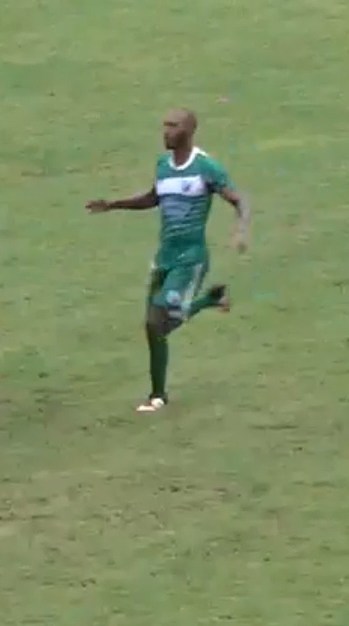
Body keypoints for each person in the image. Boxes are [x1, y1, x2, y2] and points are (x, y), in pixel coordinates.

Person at [85, 108, 250, 413]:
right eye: (165, 126)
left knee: (157, 319)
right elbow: (153, 197)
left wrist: (240, 229)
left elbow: (238, 199)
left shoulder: (205, 167)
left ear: (189, 131)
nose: (166, 132)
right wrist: (113, 204)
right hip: (164, 258)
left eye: (173, 126)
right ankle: (157, 395)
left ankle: (208, 301)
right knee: (154, 329)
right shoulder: (163, 165)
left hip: (190, 260)